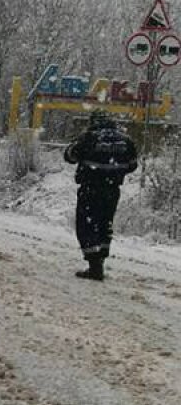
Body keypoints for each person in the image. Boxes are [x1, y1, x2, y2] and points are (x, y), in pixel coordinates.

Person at [63, 111, 138, 281]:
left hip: (90, 188)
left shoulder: (88, 137)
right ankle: (101, 260)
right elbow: (132, 165)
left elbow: (70, 156)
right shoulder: (125, 140)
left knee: (87, 225)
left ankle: (94, 266)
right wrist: (113, 170)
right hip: (112, 190)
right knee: (105, 224)